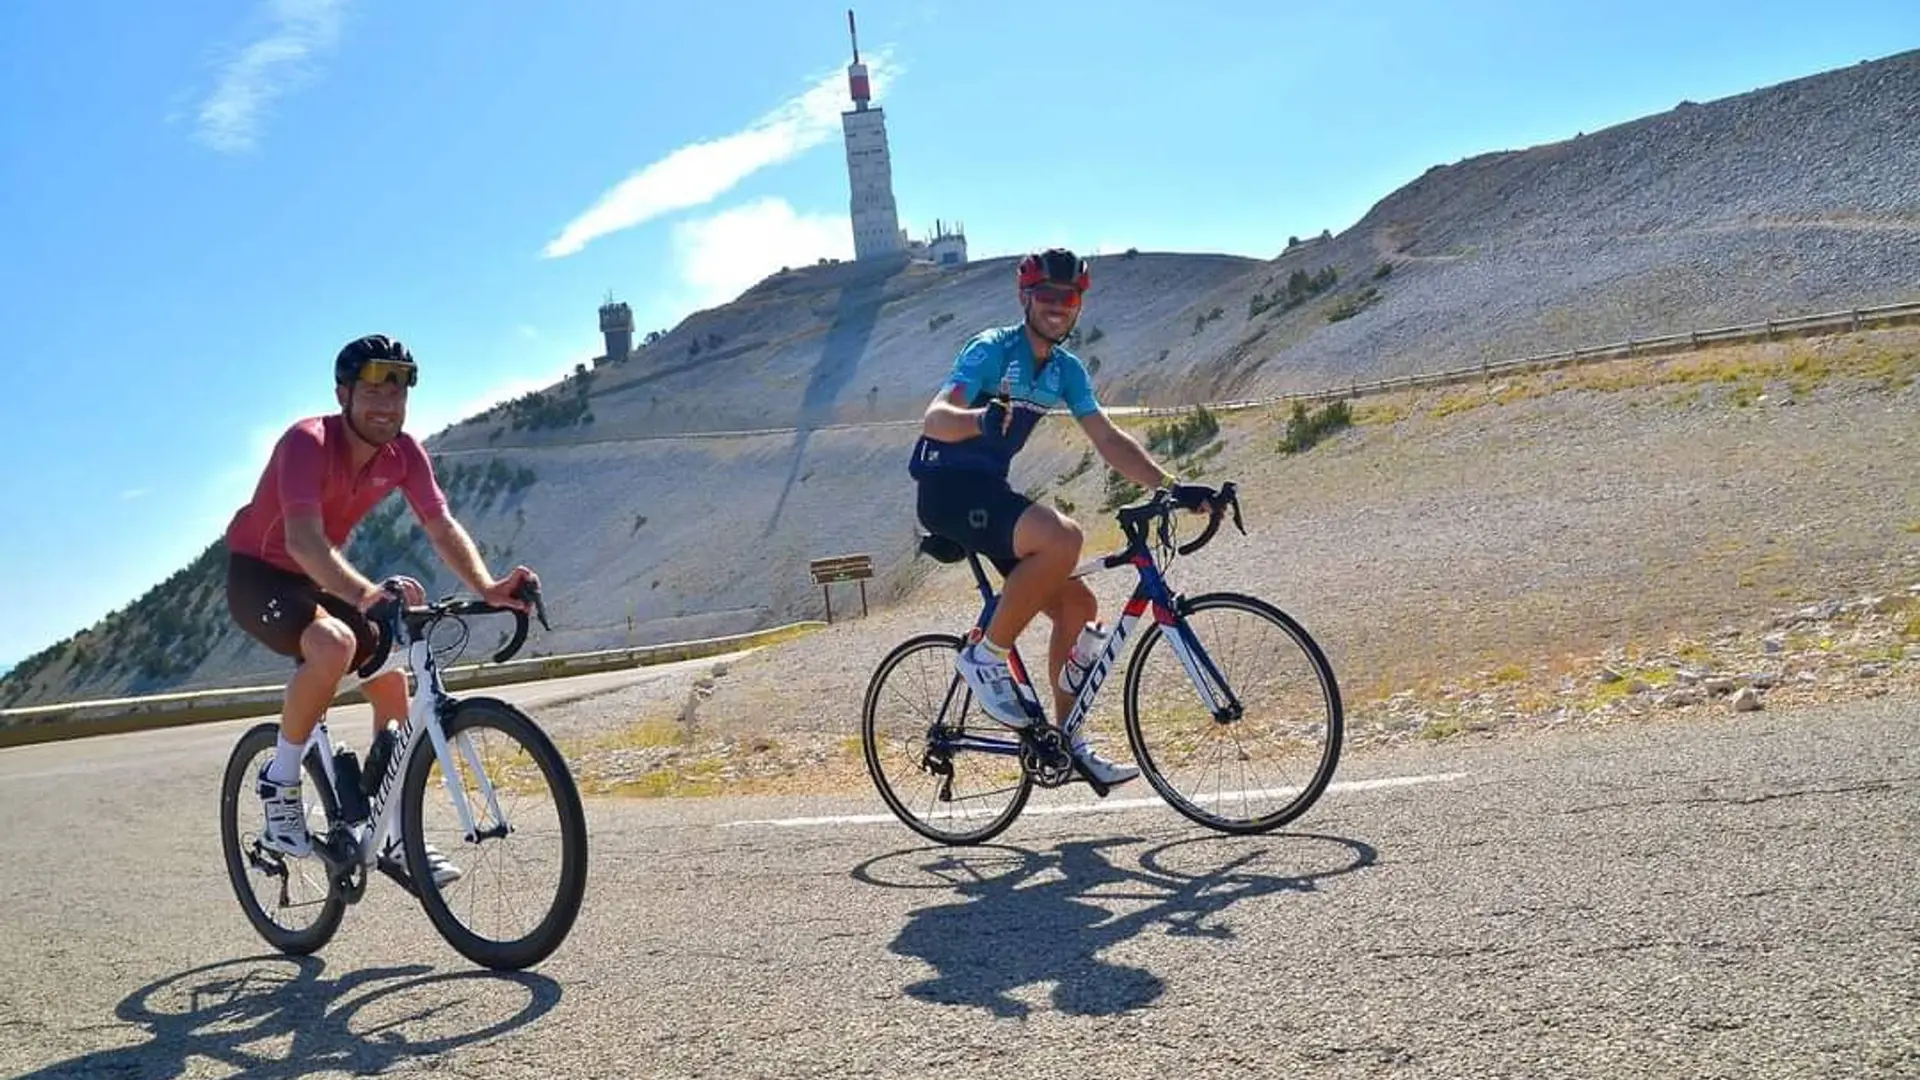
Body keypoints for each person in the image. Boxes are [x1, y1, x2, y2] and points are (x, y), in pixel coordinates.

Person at [224, 333, 539, 879]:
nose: (386, 405)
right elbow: (302, 541)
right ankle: (280, 784)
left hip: (319, 577)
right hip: (260, 576)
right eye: (372, 392)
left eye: (397, 393)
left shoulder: (404, 454)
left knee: (392, 670)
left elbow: (439, 525)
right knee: (334, 643)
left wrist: (488, 587)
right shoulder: (307, 443)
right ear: (343, 393)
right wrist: (367, 594)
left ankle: (392, 837)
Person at [907, 248, 1214, 791]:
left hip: (990, 495)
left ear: (1078, 305)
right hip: (947, 490)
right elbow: (935, 418)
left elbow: (1108, 441)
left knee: (1079, 604)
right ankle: (986, 659)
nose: (1057, 306)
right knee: (1063, 537)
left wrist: (1172, 487)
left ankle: (1066, 741)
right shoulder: (992, 350)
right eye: (1046, 296)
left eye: (1067, 298)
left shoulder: (1066, 371)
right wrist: (979, 419)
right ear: (1026, 298)